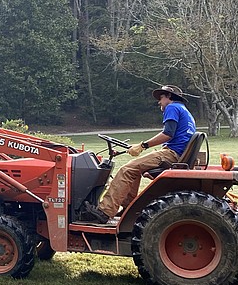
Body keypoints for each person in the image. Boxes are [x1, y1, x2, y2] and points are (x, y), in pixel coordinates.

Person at [84, 85, 197, 224]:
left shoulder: (172, 108)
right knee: (134, 171)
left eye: (161, 98)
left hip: (172, 154)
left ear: (169, 97)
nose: (159, 102)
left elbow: (168, 133)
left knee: (126, 170)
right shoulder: (185, 111)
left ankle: (104, 212)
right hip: (177, 154)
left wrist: (143, 146)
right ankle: (127, 210)